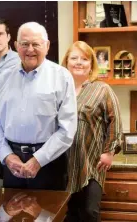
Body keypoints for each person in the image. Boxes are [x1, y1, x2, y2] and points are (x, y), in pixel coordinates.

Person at [0, 22, 77, 190]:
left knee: (47, 215)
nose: (30, 49)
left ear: (47, 46)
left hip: (48, 163)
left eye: (36, 44)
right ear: (15, 46)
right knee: (12, 212)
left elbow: (67, 129)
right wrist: (7, 156)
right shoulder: (2, 78)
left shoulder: (62, 77)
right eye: (24, 44)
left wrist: (38, 160)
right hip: (11, 163)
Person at [61, 41, 123, 222]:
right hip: (62, 164)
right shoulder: (59, 89)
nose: (79, 62)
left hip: (92, 163)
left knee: (89, 212)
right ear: (66, 62)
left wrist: (109, 151)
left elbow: (115, 121)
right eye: (74, 58)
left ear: (91, 65)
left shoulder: (102, 89)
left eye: (84, 59)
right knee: (67, 214)